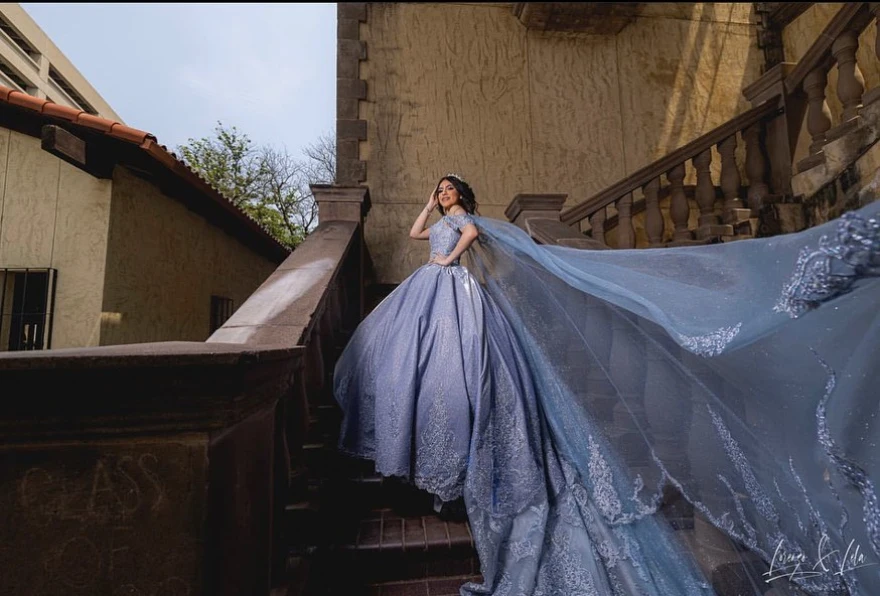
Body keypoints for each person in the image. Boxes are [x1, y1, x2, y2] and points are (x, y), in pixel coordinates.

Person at [334, 172, 880, 595]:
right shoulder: (435, 216)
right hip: (430, 286)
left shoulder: (467, 222)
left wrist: (450, 259)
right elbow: (414, 234)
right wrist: (428, 210)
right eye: (441, 189)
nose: (445, 193)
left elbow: (473, 234)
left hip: (454, 286)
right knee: (418, 363)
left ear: (463, 194)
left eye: (449, 189)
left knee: (469, 366)